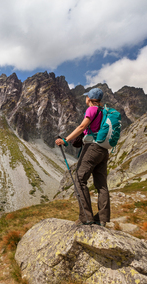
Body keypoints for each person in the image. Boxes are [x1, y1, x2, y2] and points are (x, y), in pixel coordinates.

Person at [55, 88, 110, 226]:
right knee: (102, 185)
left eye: (86, 97)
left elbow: (82, 126)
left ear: (89, 99)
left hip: (92, 148)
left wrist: (65, 140)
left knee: (79, 180)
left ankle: (86, 217)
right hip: (103, 150)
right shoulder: (105, 111)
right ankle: (103, 218)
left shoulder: (92, 109)